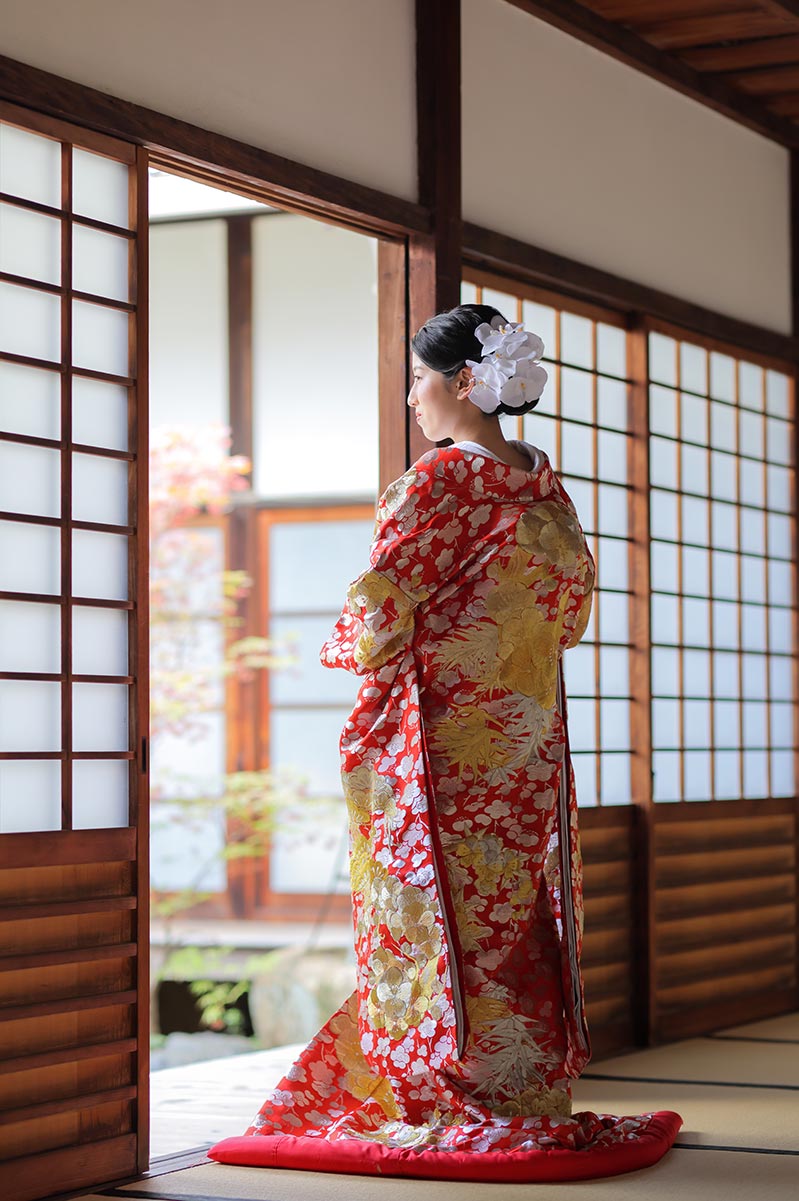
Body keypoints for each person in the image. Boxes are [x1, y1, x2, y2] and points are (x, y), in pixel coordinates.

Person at [209, 305, 682, 1182]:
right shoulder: (544, 485)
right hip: (527, 736)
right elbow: (567, 617)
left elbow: (379, 612)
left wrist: (354, 652)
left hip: (441, 745)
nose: (412, 400)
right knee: (515, 910)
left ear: (465, 383)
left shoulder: (436, 483)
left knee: (434, 911)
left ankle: (438, 1089)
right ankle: (523, 1085)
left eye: (421, 382)